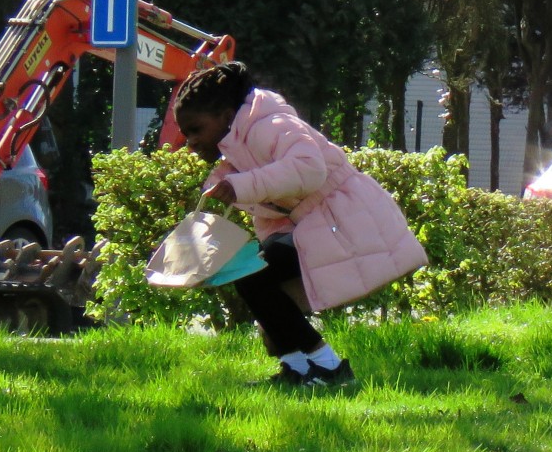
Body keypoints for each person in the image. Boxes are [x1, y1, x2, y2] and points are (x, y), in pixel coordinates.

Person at [171, 62, 427, 387]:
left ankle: (329, 369)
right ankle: (299, 369)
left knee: (252, 275)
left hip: (344, 220)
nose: (190, 141)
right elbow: (274, 206)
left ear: (224, 116)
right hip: (322, 224)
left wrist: (241, 186)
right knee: (252, 277)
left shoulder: (272, 126)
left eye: (195, 129)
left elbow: (309, 169)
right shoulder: (240, 145)